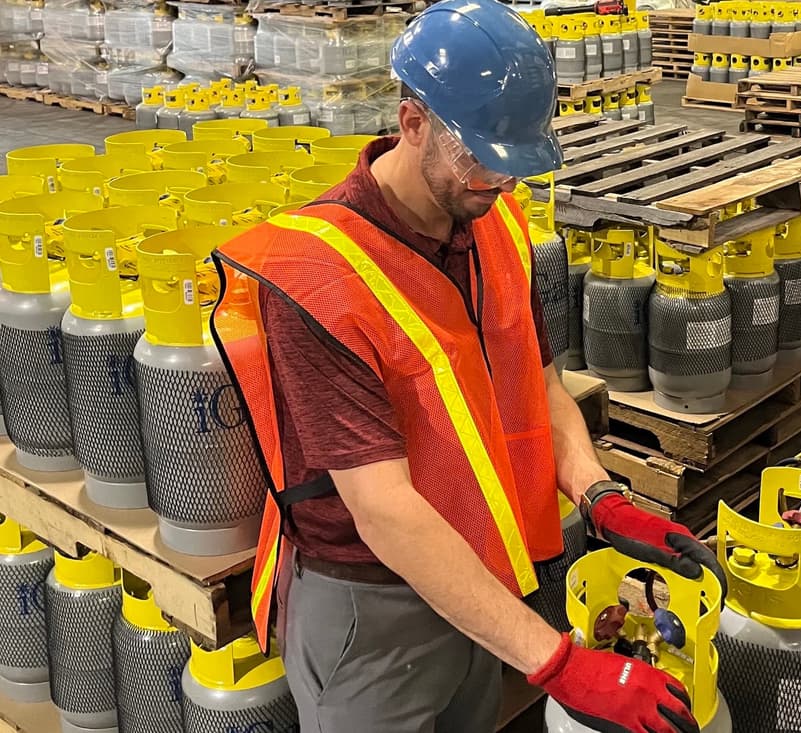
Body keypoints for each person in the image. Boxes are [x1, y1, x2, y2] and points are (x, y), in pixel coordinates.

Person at [211, 1, 726, 731]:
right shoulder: (318, 278)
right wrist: (557, 663)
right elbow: (385, 511)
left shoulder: (497, 226)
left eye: (514, 160)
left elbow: (538, 387)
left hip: (481, 575)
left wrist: (599, 493)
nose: (501, 182)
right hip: (375, 610)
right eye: (479, 155)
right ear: (411, 119)